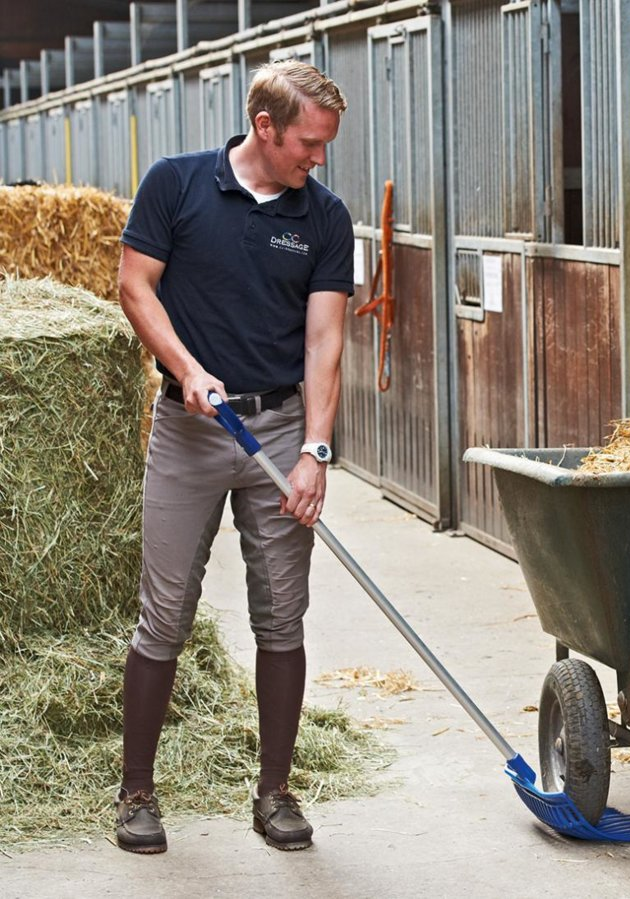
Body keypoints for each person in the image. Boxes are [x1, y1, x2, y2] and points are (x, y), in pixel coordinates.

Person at [115, 60, 353, 854]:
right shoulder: (175, 186)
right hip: (190, 431)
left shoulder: (324, 217)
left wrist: (316, 450)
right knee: (165, 614)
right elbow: (135, 286)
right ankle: (137, 794)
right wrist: (186, 368)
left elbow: (325, 341)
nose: (316, 160)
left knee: (282, 614)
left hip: (279, 430)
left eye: (324, 147)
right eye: (308, 145)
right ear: (265, 127)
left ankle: (275, 792)